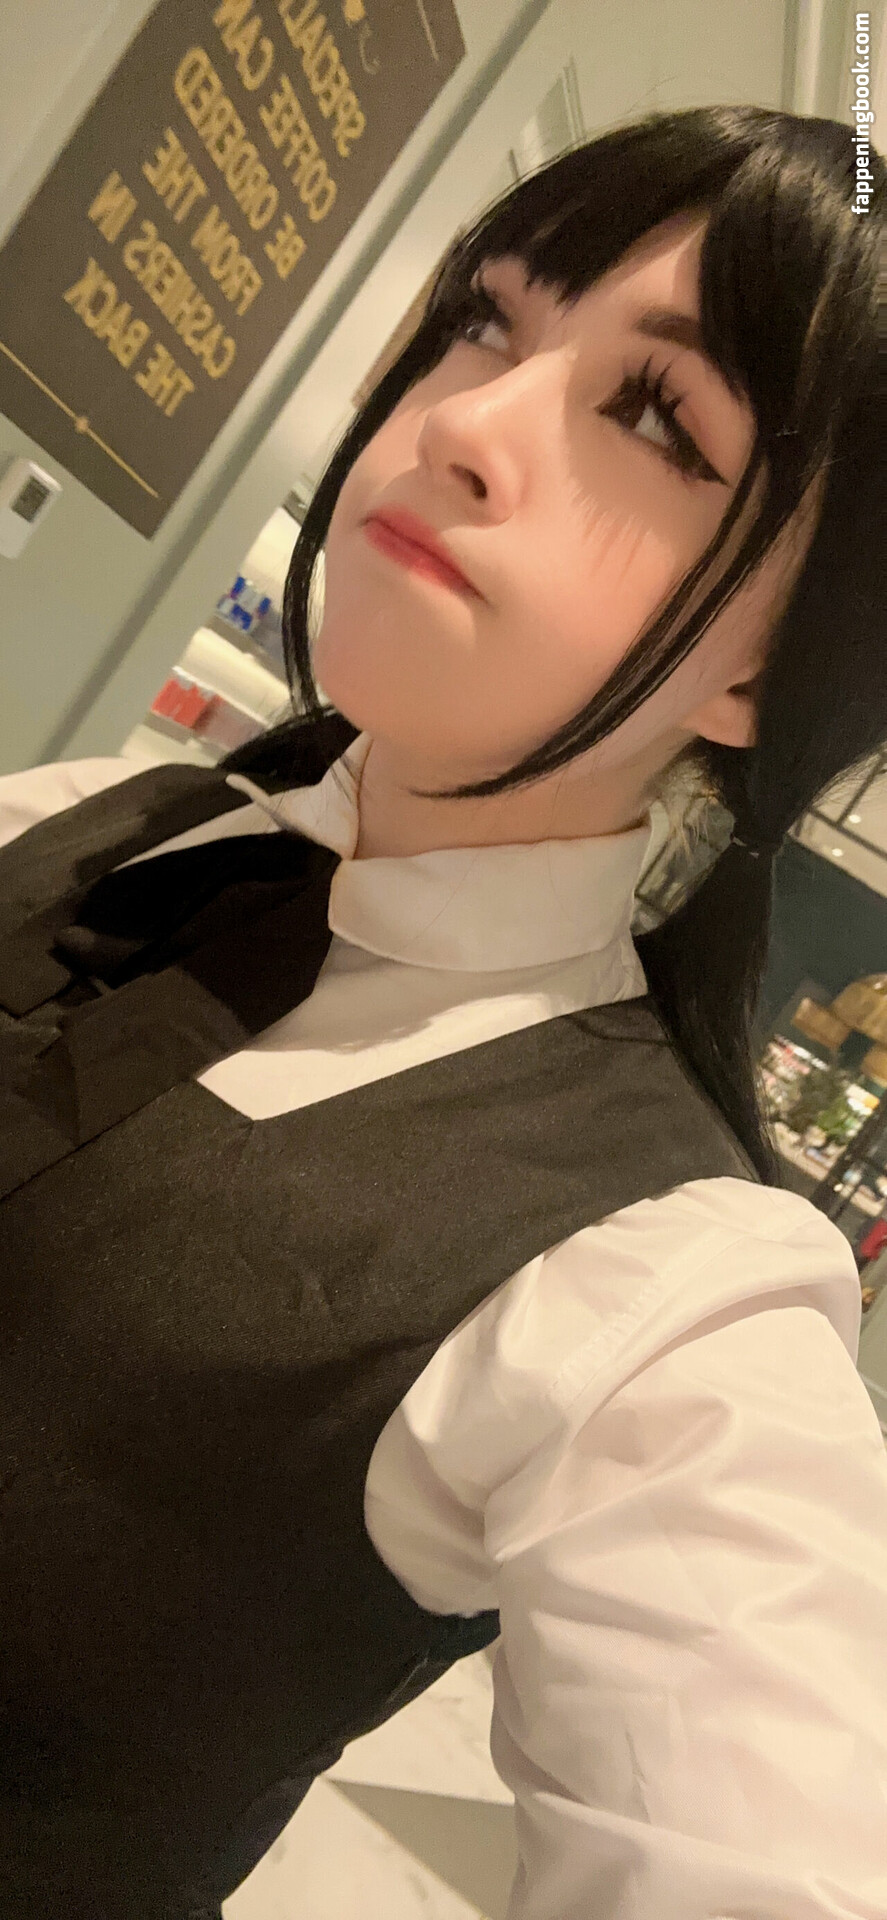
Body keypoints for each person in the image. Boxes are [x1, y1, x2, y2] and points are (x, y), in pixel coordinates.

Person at [1, 103, 885, 1919]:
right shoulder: (84, 813)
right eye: (489, 318)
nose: (464, 423)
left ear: (768, 666)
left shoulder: (661, 1294)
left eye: (658, 418)